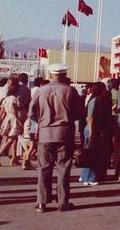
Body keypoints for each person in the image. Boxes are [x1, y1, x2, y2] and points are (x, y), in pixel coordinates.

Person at [29, 63, 81, 212]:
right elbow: (79, 113)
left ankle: (41, 203)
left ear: (50, 74)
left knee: (43, 168)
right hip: (65, 133)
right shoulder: (70, 91)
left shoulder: (40, 91)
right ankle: (63, 202)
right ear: (64, 75)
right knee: (63, 168)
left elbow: (31, 113)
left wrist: (39, 124)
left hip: (45, 134)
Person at [80, 82, 107, 186]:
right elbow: (90, 117)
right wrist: (92, 132)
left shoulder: (95, 100)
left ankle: (84, 175)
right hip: (91, 130)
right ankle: (89, 178)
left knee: (89, 152)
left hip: (92, 129)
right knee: (91, 154)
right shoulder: (95, 101)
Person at [0, 77, 22, 166]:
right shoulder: (14, 99)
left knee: (14, 139)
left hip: (7, 119)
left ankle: (14, 157)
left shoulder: (5, 99)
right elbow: (15, 112)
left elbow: (2, 111)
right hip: (13, 119)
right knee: (11, 139)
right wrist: (19, 121)